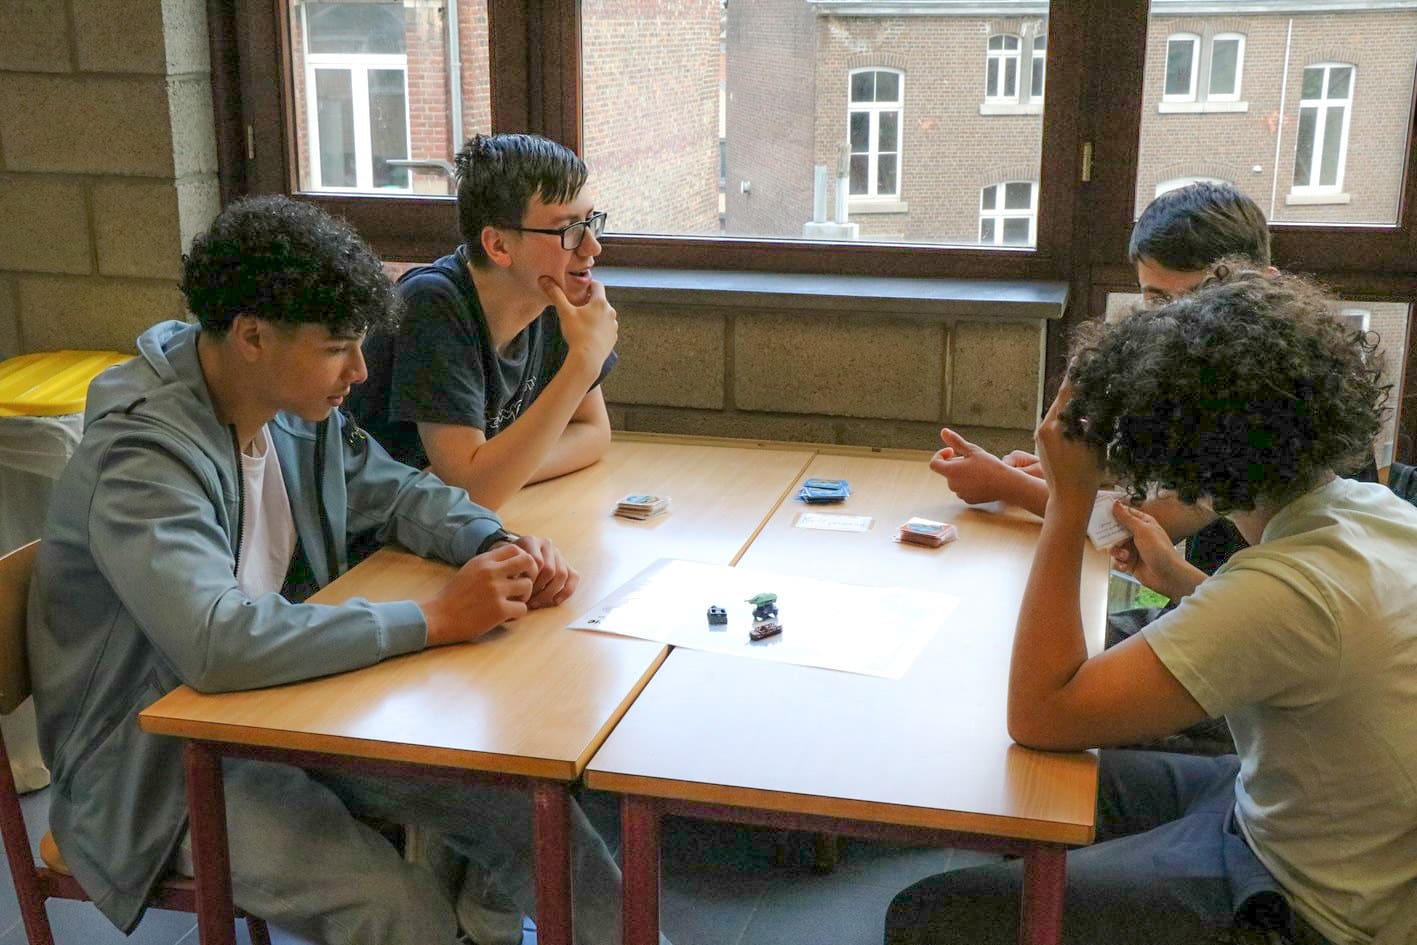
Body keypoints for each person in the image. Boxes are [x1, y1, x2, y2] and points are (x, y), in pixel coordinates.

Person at [27, 195, 639, 945]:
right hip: (153, 772)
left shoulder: (285, 405)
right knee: (400, 911)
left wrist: (494, 541)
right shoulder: (142, 458)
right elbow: (216, 642)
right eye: (337, 349)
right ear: (253, 336)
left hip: (281, 706)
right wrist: (435, 619)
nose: (359, 370)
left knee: (520, 805)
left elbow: (400, 492)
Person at [886, 269, 1417, 945]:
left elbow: (1041, 715)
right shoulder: (1371, 509)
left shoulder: (1283, 589)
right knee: (1020, 784)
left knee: (929, 915)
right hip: (1287, 806)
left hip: (1308, 902)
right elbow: (1314, 645)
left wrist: (1069, 501)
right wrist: (1184, 581)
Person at [348, 133, 617, 510]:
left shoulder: (553, 297)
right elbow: (475, 492)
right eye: (569, 230)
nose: (592, 247)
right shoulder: (432, 303)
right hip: (372, 534)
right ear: (498, 245)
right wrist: (583, 361)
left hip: (443, 523)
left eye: (591, 222)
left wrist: (506, 472)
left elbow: (593, 431)